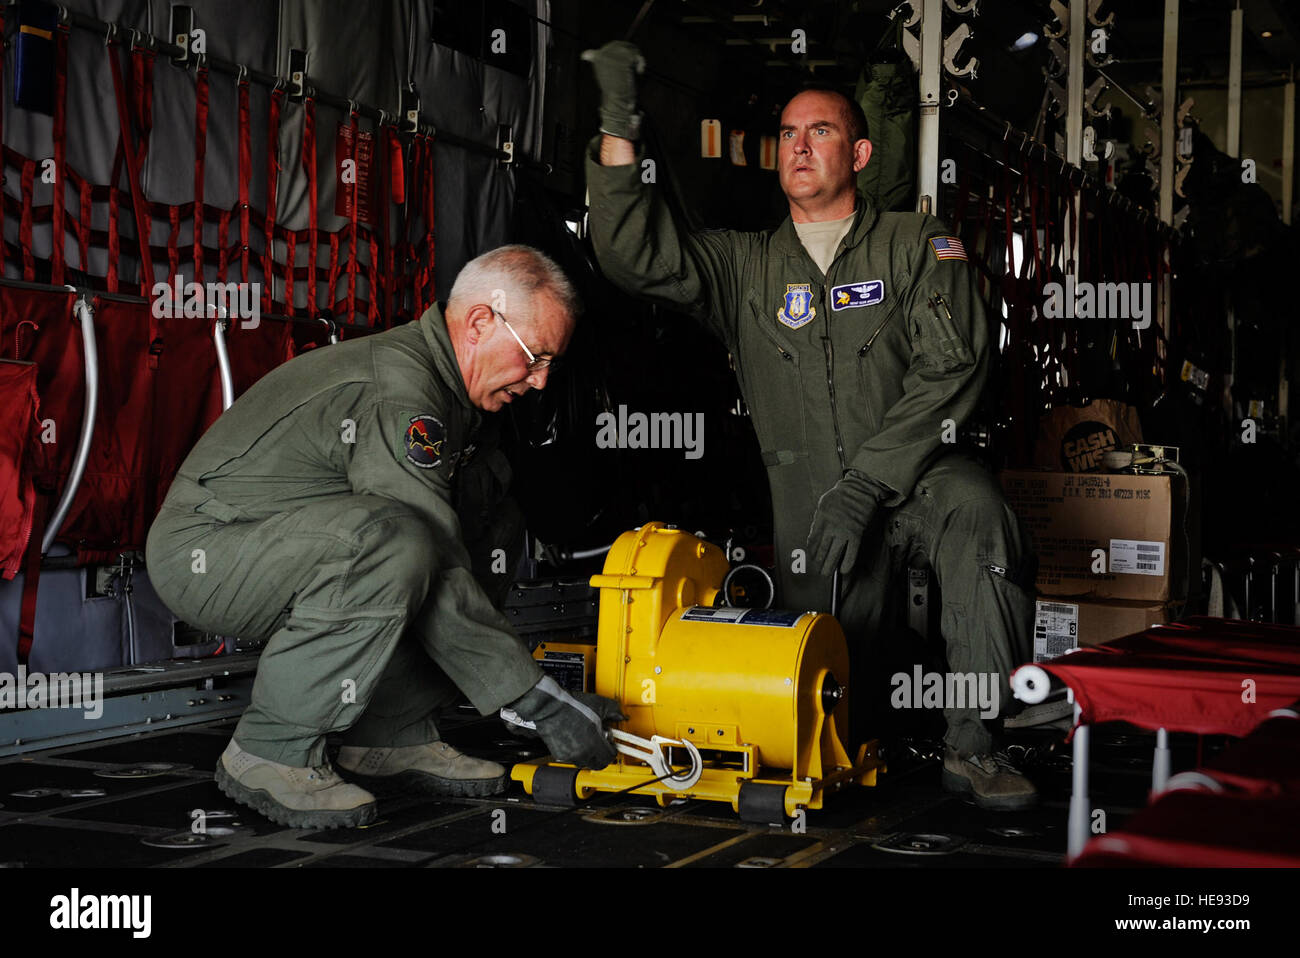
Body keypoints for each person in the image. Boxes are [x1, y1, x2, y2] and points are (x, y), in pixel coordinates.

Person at [583, 43, 1038, 809]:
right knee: (832, 703)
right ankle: (867, 735)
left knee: (980, 515)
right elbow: (633, 256)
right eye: (788, 134)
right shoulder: (745, 266)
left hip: (919, 474)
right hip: (811, 499)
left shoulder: (919, 246)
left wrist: (869, 483)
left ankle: (977, 745)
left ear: (858, 152)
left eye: (819, 132)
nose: (798, 146)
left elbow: (952, 370)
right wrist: (619, 122)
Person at [146, 245, 623, 829]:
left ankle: (389, 734)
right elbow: (427, 556)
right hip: (211, 550)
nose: (542, 381)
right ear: (479, 323)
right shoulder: (402, 391)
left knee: (490, 520)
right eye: (535, 357)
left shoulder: (455, 397)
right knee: (398, 539)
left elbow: (452, 549)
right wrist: (533, 696)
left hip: (296, 544)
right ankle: (271, 750)